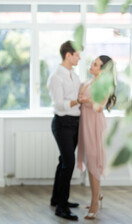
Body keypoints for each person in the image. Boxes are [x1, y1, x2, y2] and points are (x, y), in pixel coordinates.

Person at [77, 55, 116, 220]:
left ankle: (94, 203)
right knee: (88, 158)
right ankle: (97, 195)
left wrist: (86, 100)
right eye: (92, 63)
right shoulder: (86, 82)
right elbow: (80, 99)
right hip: (85, 124)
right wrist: (83, 99)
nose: (91, 65)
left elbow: (100, 107)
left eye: (95, 64)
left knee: (94, 162)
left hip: (95, 126)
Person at [47, 40, 81, 221]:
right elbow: (59, 104)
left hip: (75, 122)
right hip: (62, 123)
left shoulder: (74, 75)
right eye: (77, 55)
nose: (79, 58)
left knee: (63, 162)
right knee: (69, 163)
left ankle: (56, 198)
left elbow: (78, 97)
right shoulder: (56, 77)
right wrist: (79, 100)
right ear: (68, 55)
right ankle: (62, 207)